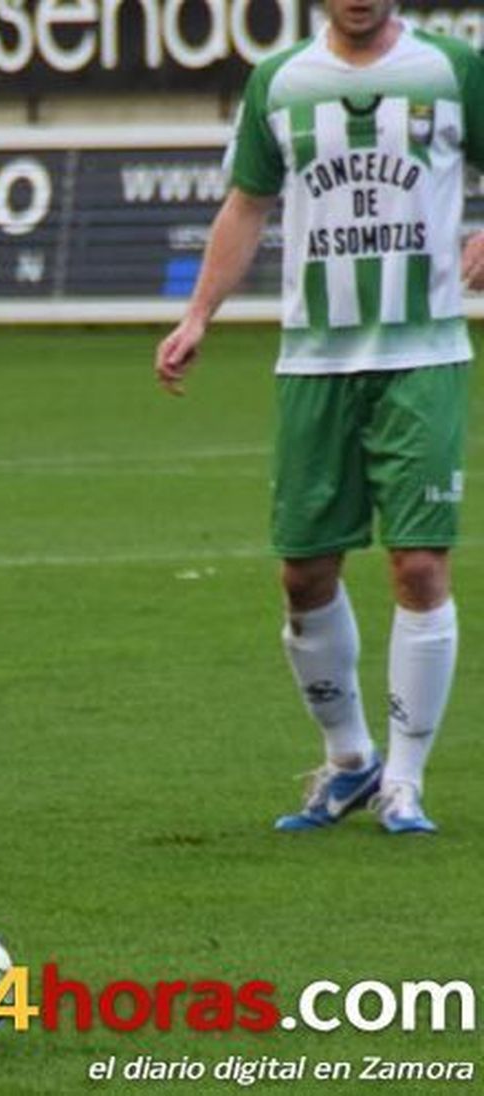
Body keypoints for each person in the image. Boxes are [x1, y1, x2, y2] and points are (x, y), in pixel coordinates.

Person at [155, 0, 483, 834]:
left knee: (418, 566)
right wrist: (197, 315)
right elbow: (247, 202)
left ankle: (406, 783)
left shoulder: (451, 70)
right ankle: (349, 760)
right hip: (315, 362)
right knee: (303, 573)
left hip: (424, 356)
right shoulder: (281, 83)